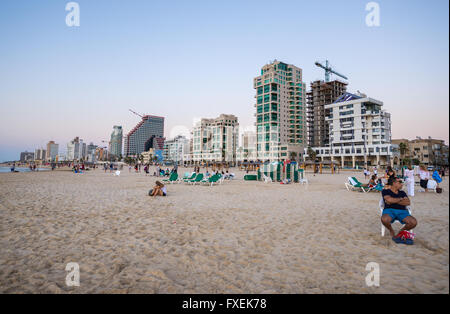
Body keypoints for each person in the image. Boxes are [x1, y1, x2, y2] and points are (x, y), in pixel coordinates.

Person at [381, 176, 417, 244]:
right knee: (384, 219)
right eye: (400, 182)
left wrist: (392, 201)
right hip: (389, 210)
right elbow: (389, 200)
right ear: (394, 183)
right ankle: (391, 230)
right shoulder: (385, 191)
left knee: (413, 222)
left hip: (402, 212)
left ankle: (401, 232)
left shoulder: (402, 192)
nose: (402, 184)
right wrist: (401, 199)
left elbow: (408, 202)